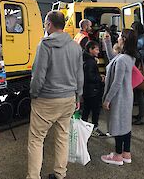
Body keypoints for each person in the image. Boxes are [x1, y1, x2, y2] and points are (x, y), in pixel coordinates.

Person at [27, 11, 83, 179]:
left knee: (36, 139)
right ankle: (60, 174)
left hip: (46, 100)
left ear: (49, 24)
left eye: (45, 23)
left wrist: (33, 94)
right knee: (62, 137)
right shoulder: (75, 46)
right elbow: (80, 75)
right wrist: (78, 96)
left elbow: (38, 76)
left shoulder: (45, 45)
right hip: (69, 100)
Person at [101, 29, 137, 166]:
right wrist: (107, 41)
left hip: (119, 97)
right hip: (126, 96)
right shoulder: (128, 57)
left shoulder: (122, 59)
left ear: (125, 40)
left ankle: (117, 156)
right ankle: (126, 153)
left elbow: (117, 82)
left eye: (120, 36)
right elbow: (112, 59)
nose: (118, 38)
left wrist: (107, 99)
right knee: (125, 125)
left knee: (118, 126)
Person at [82, 41, 107, 137]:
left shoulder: (86, 59)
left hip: (87, 90)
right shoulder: (90, 62)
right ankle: (94, 128)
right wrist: (100, 78)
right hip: (93, 90)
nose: (98, 51)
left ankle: (83, 127)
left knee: (86, 110)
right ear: (90, 50)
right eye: (96, 49)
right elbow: (89, 77)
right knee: (95, 111)